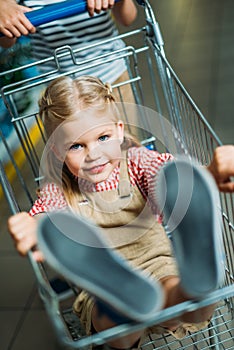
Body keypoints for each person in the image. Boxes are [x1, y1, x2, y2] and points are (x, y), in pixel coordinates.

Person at [7, 75, 224, 349]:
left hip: (156, 262)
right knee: (114, 319)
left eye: (103, 137)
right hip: (102, 285)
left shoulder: (135, 161)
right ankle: (129, 302)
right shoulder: (59, 189)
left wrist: (207, 176)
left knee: (179, 297)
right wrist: (34, 226)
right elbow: (46, 216)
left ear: (119, 131)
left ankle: (197, 285)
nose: (93, 154)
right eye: (76, 146)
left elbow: (170, 176)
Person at [0, 0, 137, 105]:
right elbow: (6, 42)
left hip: (112, 78)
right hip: (61, 91)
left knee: (125, 138)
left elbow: (128, 18)